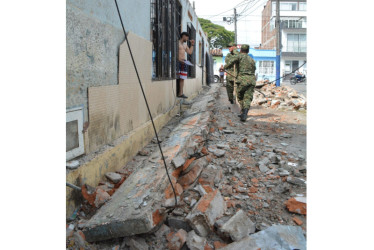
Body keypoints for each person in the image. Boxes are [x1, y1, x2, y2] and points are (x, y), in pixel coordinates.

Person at [224, 44, 256, 122]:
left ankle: (243, 112)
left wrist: (223, 68)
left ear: (241, 50)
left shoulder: (239, 56)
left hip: (242, 80)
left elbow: (230, 63)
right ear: (248, 51)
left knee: (240, 96)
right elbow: (254, 69)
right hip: (251, 80)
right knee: (248, 97)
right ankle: (244, 113)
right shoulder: (252, 60)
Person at [177, 32, 195, 98]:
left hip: (184, 62)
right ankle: (179, 92)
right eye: (187, 37)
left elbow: (189, 52)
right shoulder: (177, 43)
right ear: (184, 36)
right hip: (178, 62)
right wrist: (178, 59)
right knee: (177, 77)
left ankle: (180, 93)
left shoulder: (185, 45)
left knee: (182, 78)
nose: (187, 39)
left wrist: (192, 45)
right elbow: (174, 53)